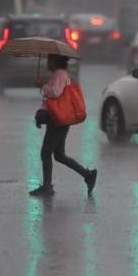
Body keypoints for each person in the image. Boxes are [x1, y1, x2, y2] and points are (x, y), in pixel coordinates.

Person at [29, 54, 98, 197]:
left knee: (46, 153)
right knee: (59, 155)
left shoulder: (59, 74)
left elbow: (55, 93)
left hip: (58, 120)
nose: (47, 63)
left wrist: (42, 85)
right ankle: (88, 174)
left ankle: (47, 186)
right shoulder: (60, 74)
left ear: (55, 62)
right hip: (59, 118)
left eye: (49, 60)